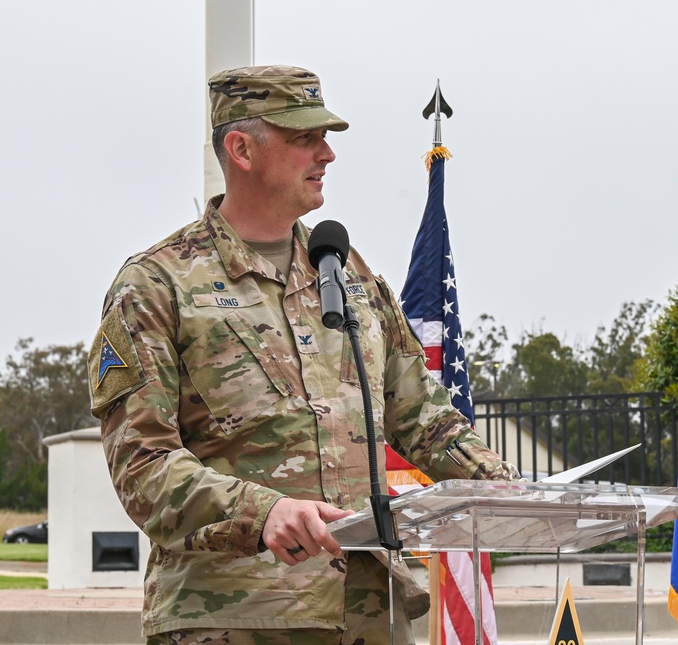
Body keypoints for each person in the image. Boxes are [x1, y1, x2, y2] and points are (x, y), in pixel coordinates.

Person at [88, 65, 519, 645]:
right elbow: (142, 466)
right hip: (236, 618)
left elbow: (425, 419)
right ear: (241, 149)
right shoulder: (156, 285)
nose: (327, 154)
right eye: (303, 138)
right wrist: (262, 511)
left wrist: (505, 487)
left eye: (326, 136)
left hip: (369, 613)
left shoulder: (348, 275)